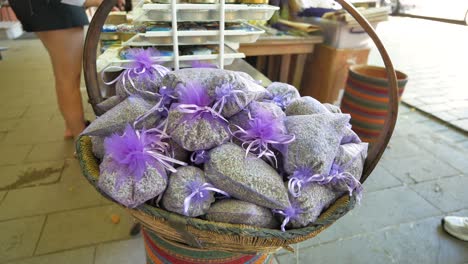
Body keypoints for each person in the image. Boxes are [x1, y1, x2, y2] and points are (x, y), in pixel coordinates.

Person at [8, 0, 124, 139]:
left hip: (45, 8)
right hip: (54, 8)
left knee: (65, 76)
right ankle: (80, 139)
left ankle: (72, 127)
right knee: (68, 79)